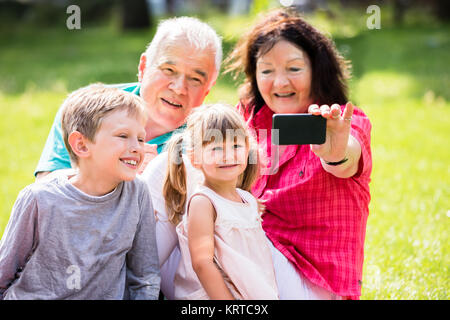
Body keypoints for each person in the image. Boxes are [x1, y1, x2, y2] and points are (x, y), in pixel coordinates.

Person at [225, 8, 372, 300]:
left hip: (311, 283)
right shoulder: (248, 122)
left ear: (317, 70)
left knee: (207, 225)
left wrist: (335, 154)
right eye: (267, 70)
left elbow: (346, 158)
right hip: (258, 269)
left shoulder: (341, 122)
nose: (279, 83)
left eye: (293, 69)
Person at [0, 84, 160, 299]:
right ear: (82, 145)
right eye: (123, 136)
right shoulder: (39, 198)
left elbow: (145, 275)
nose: (137, 147)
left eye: (141, 138)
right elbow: (4, 271)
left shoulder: (137, 192)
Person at [34, 16, 222, 179]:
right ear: (143, 67)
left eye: (195, 79)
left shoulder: (210, 142)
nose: (180, 88)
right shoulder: (85, 109)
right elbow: (46, 190)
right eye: (169, 70)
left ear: (207, 90)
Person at [162, 103, 278, 300]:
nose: (228, 156)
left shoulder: (247, 199)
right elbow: (202, 263)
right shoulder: (204, 202)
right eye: (216, 148)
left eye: (235, 146)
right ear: (195, 157)